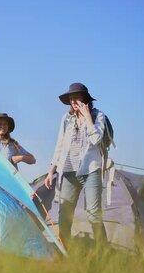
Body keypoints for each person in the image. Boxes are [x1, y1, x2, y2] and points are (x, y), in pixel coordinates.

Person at [44, 82, 108, 247]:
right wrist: (51, 171)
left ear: (85, 99)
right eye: (71, 98)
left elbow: (96, 140)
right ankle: (66, 253)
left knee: (94, 214)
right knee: (64, 215)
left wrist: (87, 117)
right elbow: (59, 145)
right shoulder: (66, 119)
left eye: (76, 97)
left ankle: (103, 253)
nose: (73, 101)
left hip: (90, 171)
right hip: (68, 171)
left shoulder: (98, 116)